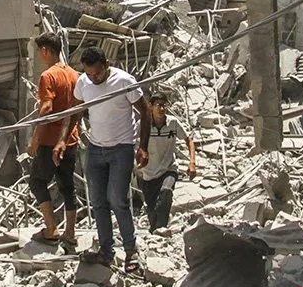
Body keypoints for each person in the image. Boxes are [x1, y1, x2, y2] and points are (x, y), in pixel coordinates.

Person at [56, 47, 150, 273]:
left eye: (98, 74)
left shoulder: (124, 81)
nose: (94, 79)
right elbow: (75, 112)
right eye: (90, 74)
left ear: (107, 64)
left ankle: (131, 251)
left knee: (117, 199)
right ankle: (106, 252)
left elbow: (144, 112)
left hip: (121, 149)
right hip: (96, 149)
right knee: (98, 202)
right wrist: (62, 140)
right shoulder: (83, 82)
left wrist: (143, 147)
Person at [26, 32, 80, 250]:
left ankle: (50, 229)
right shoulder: (74, 75)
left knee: (37, 182)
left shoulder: (48, 76)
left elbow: (46, 108)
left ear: (46, 50)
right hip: (70, 139)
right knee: (67, 186)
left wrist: (34, 140)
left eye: (40, 51)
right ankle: (70, 233)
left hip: (50, 141)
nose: (40, 56)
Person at [136, 94, 196, 233]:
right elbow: (132, 143)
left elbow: (189, 140)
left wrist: (192, 162)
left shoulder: (173, 123)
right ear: (150, 107)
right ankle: (155, 233)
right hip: (148, 172)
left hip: (168, 168)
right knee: (151, 209)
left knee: (166, 191)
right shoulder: (143, 125)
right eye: (158, 105)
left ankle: (161, 229)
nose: (162, 108)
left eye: (164, 105)